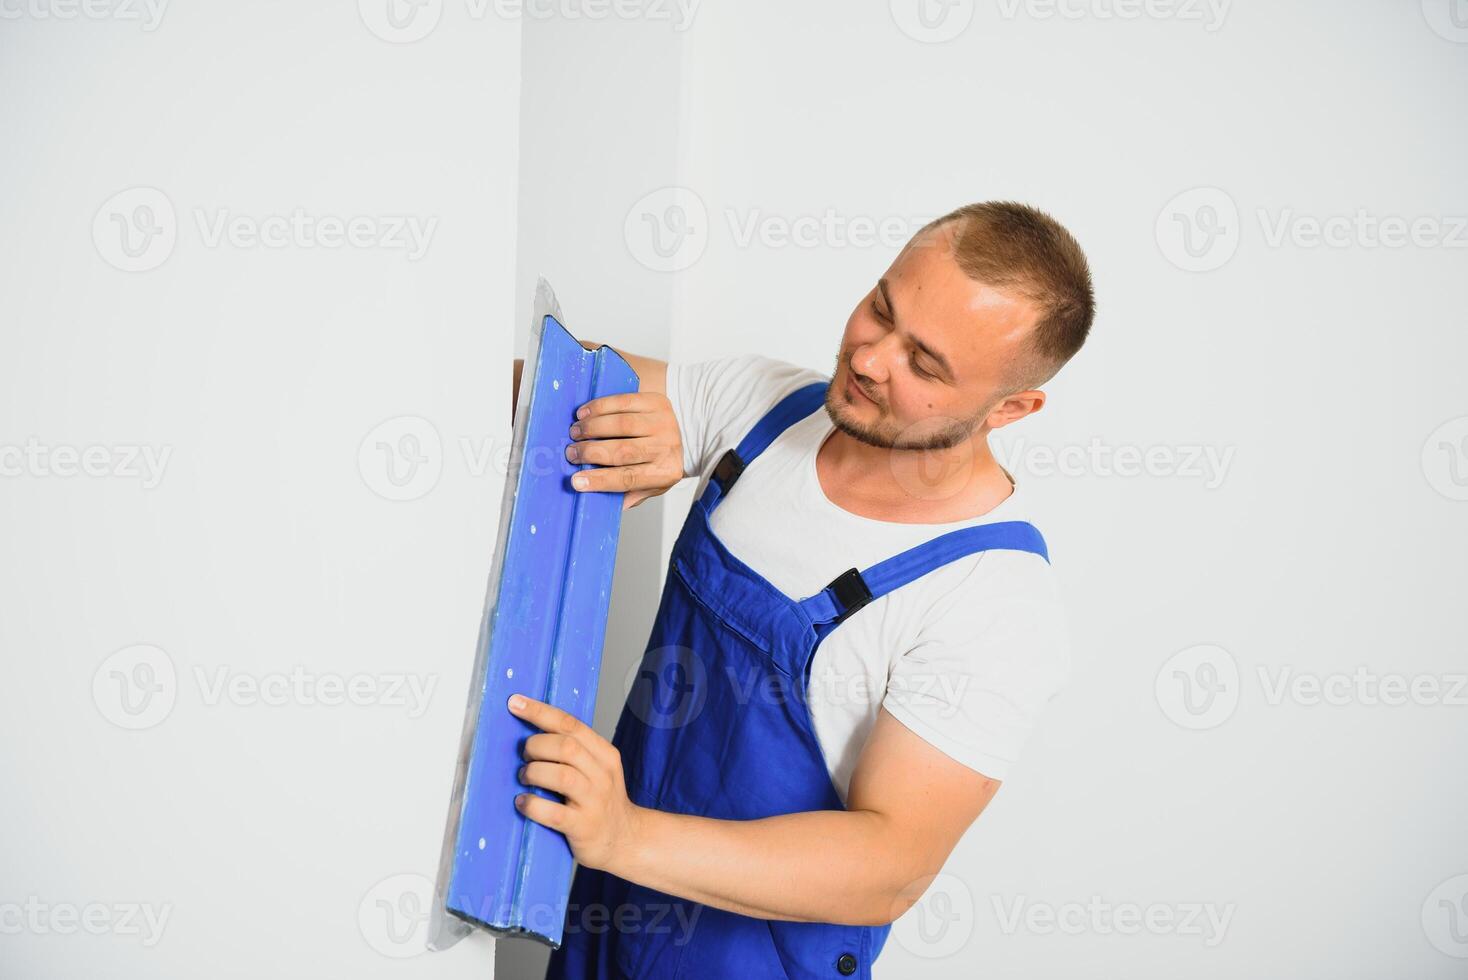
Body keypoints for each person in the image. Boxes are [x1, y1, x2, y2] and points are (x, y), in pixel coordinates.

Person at [509, 201, 1095, 979]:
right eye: (880, 309)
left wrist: (625, 835)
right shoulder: (766, 410)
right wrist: (592, 418)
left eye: (924, 364)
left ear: (1011, 408)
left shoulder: (994, 603)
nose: (872, 359)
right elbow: (539, 388)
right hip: (603, 916)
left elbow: (892, 864)